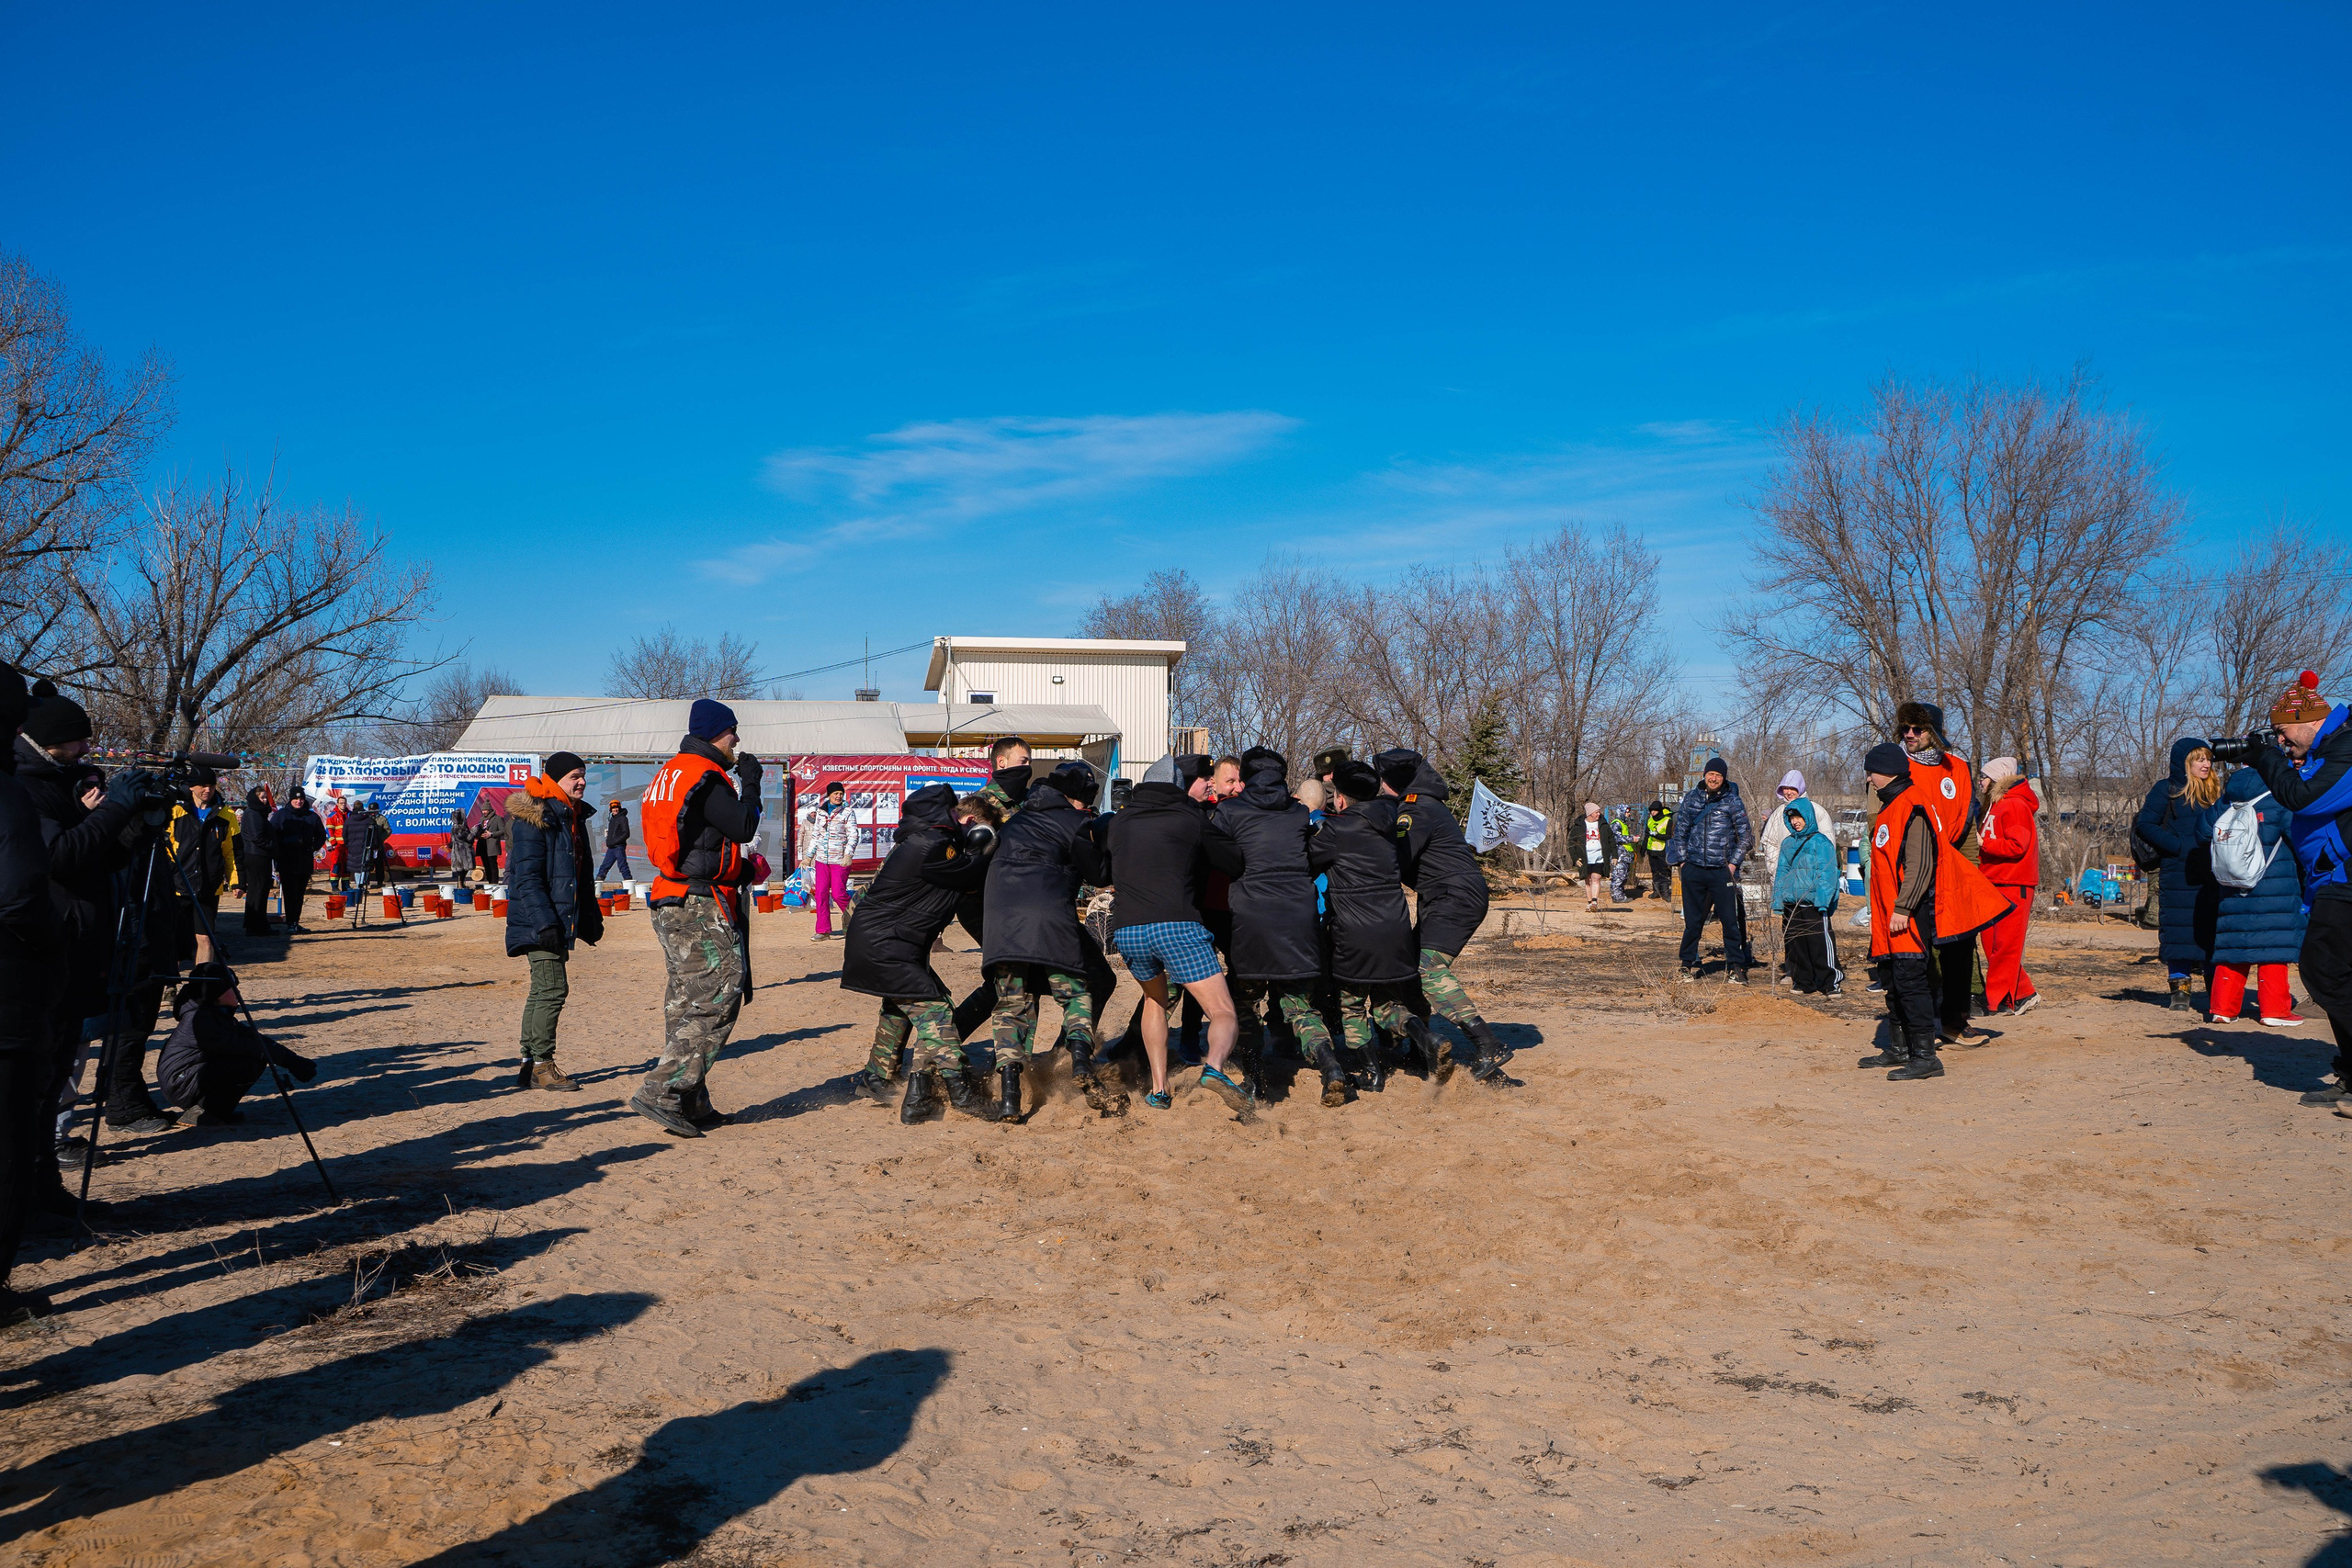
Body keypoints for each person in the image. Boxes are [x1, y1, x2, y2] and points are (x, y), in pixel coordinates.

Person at [636, 700, 763, 1137]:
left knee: (687, 996)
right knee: (722, 986)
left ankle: (691, 1099)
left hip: (670, 895)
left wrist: (741, 870)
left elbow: (697, 844)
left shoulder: (669, 773)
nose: (738, 741)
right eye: (733, 733)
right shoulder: (706, 777)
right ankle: (663, 1088)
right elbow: (743, 826)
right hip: (697, 902)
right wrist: (751, 782)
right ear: (716, 734)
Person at [1858, 741, 2012, 1080]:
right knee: (1894, 981)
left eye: (1872, 772)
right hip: (1888, 915)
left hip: (1907, 913)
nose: (1869, 779)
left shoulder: (1911, 806)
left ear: (1887, 771)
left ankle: (1926, 1057)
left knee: (1912, 980)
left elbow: (1920, 863)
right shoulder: (1890, 806)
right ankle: (1899, 1048)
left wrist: (1904, 907)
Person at [1102, 756, 1248, 1114]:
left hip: (1128, 930)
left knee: (1156, 1002)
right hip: (1177, 926)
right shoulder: (1190, 818)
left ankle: (1159, 1089)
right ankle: (1214, 1068)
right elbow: (1233, 862)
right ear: (1179, 789)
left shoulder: (1119, 821)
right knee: (1223, 1012)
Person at [843, 783, 997, 1119]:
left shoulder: (924, 841)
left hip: (889, 942)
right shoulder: (931, 844)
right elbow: (968, 873)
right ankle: (962, 1094)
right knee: (936, 1011)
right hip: (886, 945)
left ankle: (878, 1076)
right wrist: (981, 846)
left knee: (901, 1004)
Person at [1205, 748, 1348, 1106]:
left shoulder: (1230, 811)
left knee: (1245, 1004)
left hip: (1251, 921)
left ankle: (1255, 1076)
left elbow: (1218, 855)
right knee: (1301, 1005)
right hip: (1298, 920)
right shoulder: (1299, 812)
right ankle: (1330, 1065)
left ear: (1248, 777)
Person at [1372, 747, 1515, 1083]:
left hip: (1454, 897)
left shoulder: (1416, 810)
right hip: (1443, 895)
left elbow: (1399, 858)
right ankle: (1421, 1051)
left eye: (1383, 780)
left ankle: (1487, 1043)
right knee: (1410, 968)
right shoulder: (1422, 804)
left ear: (1393, 782)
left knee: (1428, 968)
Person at [978, 761, 1110, 1122]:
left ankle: (1008, 1097)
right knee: (1077, 993)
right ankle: (1081, 1061)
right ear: (1078, 799)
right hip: (1048, 920)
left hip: (1001, 923)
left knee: (1010, 1009)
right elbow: (1099, 873)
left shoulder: (1016, 820)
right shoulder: (1075, 822)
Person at [1311, 761, 1447, 1091]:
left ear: (1340, 799)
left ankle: (1372, 1074)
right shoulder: (1392, 825)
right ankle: (1425, 1036)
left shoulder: (1337, 830)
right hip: (1396, 929)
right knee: (1389, 1004)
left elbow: (1306, 858)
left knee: (1353, 1005)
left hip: (1355, 932)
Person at [2, 661, 64, 1321]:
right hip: (12, 997)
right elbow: (25, 893)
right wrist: (55, 940)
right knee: (11, 1139)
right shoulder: (14, 794)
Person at [505, 751, 605, 1092]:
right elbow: (527, 878)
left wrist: (590, 917)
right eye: (575, 775)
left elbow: (578, 875)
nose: (582, 781)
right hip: (539, 919)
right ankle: (543, 1067)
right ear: (555, 778)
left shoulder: (568, 815)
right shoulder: (536, 816)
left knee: (541, 991)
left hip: (553, 917)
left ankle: (528, 1063)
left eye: (583, 775)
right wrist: (546, 924)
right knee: (552, 989)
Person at [1897, 703, 1988, 1044]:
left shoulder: (1959, 769)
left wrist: (1970, 876)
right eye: (1905, 728)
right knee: (1913, 952)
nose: (1909, 734)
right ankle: (1915, 1029)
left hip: (1952, 871)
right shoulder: (1897, 767)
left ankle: (1955, 1021)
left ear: (1933, 732)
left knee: (1960, 950)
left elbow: (1967, 829)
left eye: (1917, 729)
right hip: (1911, 872)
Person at [2198, 755, 2303, 1029]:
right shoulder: (2280, 797)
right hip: (2274, 886)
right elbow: (2300, 838)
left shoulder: (2228, 798)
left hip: (2231, 885)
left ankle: (2222, 1009)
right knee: (2273, 949)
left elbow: (2201, 831)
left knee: (2233, 947)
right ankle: (2275, 1011)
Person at [155, 962, 315, 1125]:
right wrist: (287, 1061)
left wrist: (292, 1060)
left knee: (255, 1055)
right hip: (180, 1082)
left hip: (190, 1075)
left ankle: (213, 1110)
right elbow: (243, 1045)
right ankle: (205, 1110)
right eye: (232, 988)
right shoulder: (200, 1020)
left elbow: (254, 1037)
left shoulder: (216, 1014)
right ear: (215, 993)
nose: (238, 992)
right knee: (250, 1061)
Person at [2133, 738, 2221, 1013]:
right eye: (2199, 759)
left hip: (2212, 872)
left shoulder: (2215, 791)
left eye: (2208, 759)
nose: (2206, 764)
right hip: (2178, 872)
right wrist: (2177, 847)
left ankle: (2215, 991)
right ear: (2185, 763)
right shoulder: (2167, 789)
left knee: (2211, 931)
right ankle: (2180, 993)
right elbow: (2145, 823)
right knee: (2177, 931)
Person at [1667, 756, 1755, 984]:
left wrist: (1733, 863)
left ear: (1724, 778)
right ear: (1704, 775)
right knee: (1693, 922)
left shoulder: (1732, 802)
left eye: (1718, 775)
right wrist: (1684, 862)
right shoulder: (1692, 798)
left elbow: (1746, 836)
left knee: (1729, 920)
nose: (1714, 778)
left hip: (1721, 871)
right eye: (1711, 774)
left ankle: (1736, 967)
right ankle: (1687, 965)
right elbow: (1680, 832)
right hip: (1694, 870)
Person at [1975, 758, 2043, 1016]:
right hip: (1994, 882)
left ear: (1996, 779)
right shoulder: (1995, 805)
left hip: (2014, 883)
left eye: (1983, 777)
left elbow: (2018, 846)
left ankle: (1994, 1002)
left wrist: (1983, 843)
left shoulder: (2014, 805)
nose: (1980, 781)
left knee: (2005, 946)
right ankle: (2024, 993)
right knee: (1992, 942)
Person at [165, 766, 241, 963]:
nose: (208, 790)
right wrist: (168, 874)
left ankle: (202, 985)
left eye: (212, 786)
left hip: (209, 887)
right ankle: (170, 987)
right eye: (203, 786)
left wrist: (237, 881)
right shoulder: (176, 812)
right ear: (191, 787)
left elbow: (232, 852)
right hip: (178, 887)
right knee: (175, 940)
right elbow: (166, 850)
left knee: (206, 939)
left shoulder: (226, 816)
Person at [1771, 797, 1843, 996]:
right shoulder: (1787, 843)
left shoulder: (1821, 842)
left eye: (1799, 816)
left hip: (1814, 903)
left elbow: (1827, 872)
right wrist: (1778, 900)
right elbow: (1782, 872)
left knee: (1820, 944)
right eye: (1792, 817)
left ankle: (1831, 982)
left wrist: (1823, 901)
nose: (1795, 821)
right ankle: (1803, 982)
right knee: (1796, 945)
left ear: (1808, 817)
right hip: (1791, 903)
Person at [799, 780, 856, 942]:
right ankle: (823, 930)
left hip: (840, 860)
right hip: (822, 860)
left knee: (839, 893)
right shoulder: (821, 812)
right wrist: (809, 856)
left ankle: (857, 922)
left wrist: (848, 855)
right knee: (821, 894)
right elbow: (816, 836)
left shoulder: (847, 812)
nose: (838, 796)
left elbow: (853, 835)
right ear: (829, 795)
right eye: (835, 794)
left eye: (840, 794)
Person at [269, 789, 327, 931]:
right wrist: (280, 850)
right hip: (286, 859)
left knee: (300, 893)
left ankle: (295, 921)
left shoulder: (311, 816)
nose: (298, 801)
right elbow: (272, 835)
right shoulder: (281, 816)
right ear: (290, 800)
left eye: (301, 799)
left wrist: (313, 847)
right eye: (295, 799)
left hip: (304, 859)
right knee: (290, 893)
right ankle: (290, 922)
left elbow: (321, 834)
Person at [237, 784, 277, 933]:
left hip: (259, 855)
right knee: (258, 890)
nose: (265, 801)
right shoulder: (253, 813)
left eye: (265, 798)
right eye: (261, 798)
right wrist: (272, 845)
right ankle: (257, 925)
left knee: (259, 890)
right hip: (256, 856)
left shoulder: (257, 813)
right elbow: (257, 837)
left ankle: (256, 923)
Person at [1573, 801, 1620, 911]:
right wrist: (1575, 858)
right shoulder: (1579, 826)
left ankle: (1594, 902)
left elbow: (1611, 840)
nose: (1599, 814)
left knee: (1596, 878)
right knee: (1588, 880)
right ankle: (1589, 903)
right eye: (1596, 812)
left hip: (1599, 856)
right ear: (1590, 813)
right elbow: (1571, 843)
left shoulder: (1604, 825)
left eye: (1599, 812)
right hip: (1584, 857)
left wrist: (1614, 855)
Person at [1644, 799, 1674, 904]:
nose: (1653, 813)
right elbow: (1647, 835)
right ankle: (1656, 891)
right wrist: (1643, 849)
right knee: (1654, 871)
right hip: (1651, 850)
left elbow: (1668, 836)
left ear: (1659, 811)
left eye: (1655, 811)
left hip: (1662, 850)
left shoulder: (1667, 820)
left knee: (1664, 871)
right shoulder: (1650, 821)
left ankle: (1665, 892)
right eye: (1651, 811)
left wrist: (1657, 835)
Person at [597, 797, 633, 885]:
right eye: (613, 808)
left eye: (616, 808)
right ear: (610, 810)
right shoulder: (613, 819)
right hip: (612, 847)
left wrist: (614, 842)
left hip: (619, 847)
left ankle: (629, 883)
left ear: (619, 808)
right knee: (604, 866)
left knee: (622, 865)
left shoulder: (623, 818)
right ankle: (597, 885)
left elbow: (626, 834)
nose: (615, 810)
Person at [448, 807, 473, 881]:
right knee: (462, 869)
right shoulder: (459, 827)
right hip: (462, 851)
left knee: (462, 869)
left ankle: (461, 883)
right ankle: (460, 884)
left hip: (460, 850)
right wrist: (474, 832)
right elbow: (467, 838)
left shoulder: (458, 827)